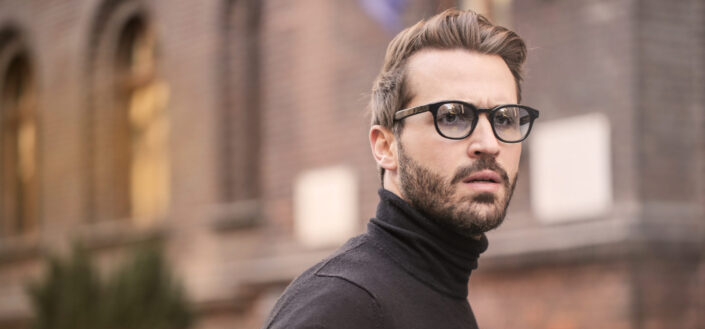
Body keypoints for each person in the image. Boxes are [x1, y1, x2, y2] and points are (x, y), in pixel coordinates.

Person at [262, 8, 539, 329]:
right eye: (452, 116)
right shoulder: (340, 307)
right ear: (386, 146)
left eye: (504, 118)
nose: (489, 144)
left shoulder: (441, 293)